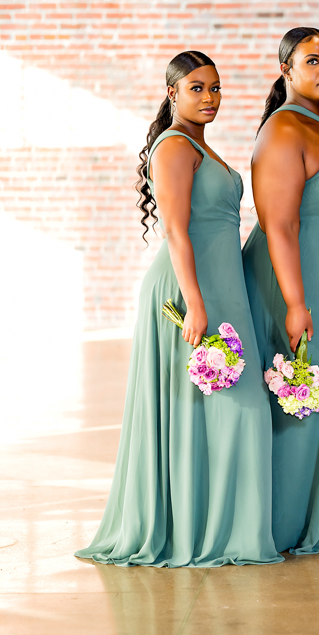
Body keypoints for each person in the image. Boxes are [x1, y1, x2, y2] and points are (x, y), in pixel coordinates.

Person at [76, 51, 282, 567]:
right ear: (172, 94)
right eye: (197, 88)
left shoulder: (200, 146)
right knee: (220, 407)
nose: (209, 98)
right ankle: (195, 529)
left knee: (230, 409)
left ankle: (221, 526)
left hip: (222, 286)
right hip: (189, 292)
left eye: (215, 88)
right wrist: (194, 303)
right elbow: (174, 230)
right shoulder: (173, 147)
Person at [242, 28, 319, 555]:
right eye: (312, 60)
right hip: (294, 281)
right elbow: (279, 223)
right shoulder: (285, 129)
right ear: (286, 71)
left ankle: (315, 512)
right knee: (299, 396)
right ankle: (285, 521)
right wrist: (294, 301)